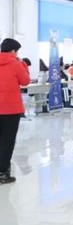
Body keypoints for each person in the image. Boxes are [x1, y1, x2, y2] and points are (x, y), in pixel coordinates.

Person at [0, 38, 31, 184]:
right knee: (7, 141)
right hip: (11, 109)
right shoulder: (16, 63)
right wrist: (23, 64)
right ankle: (2, 172)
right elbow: (25, 81)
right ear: (13, 51)